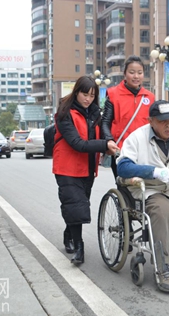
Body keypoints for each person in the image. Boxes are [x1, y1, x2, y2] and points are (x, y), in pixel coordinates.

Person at [117, 100, 169, 293]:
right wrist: (153, 171)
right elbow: (123, 167)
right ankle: (162, 267)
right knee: (162, 211)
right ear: (151, 121)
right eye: (163, 121)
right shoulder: (137, 137)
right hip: (151, 187)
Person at [52, 76, 119, 265]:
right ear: (76, 92)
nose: (88, 99)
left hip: (87, 168)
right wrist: (104, 145)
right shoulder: (65, 113)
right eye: (84, 94)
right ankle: (79, 247)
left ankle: (68, 234)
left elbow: (104, 132)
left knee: (78, 206)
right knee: (76, 205)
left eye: (92, 95)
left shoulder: (95, 113)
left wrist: (110, 142)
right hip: (67, 167)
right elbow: (77, 143)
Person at [101, 55, 155, 178]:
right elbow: (105, 122)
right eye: (132, 72)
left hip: (144, 151)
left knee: (145, 185)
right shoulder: (113, 94)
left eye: (140, 73)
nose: (136, 76)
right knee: (124, 185)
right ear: (125, 74)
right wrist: (109, 140)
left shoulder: (149, 97)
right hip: (120, 151)